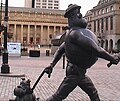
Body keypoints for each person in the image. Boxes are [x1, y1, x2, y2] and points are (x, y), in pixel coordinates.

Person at [44, 4, 119, 101]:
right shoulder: (75, 34)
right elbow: (95, 49)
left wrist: (51, 65)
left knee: (93, 92)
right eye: (78, 13)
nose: (81, 15)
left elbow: (60, 50)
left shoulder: (70, 33)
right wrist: (112, 58)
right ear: (71, 17)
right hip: (75, 72)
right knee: (58, 96)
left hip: (79, 72)